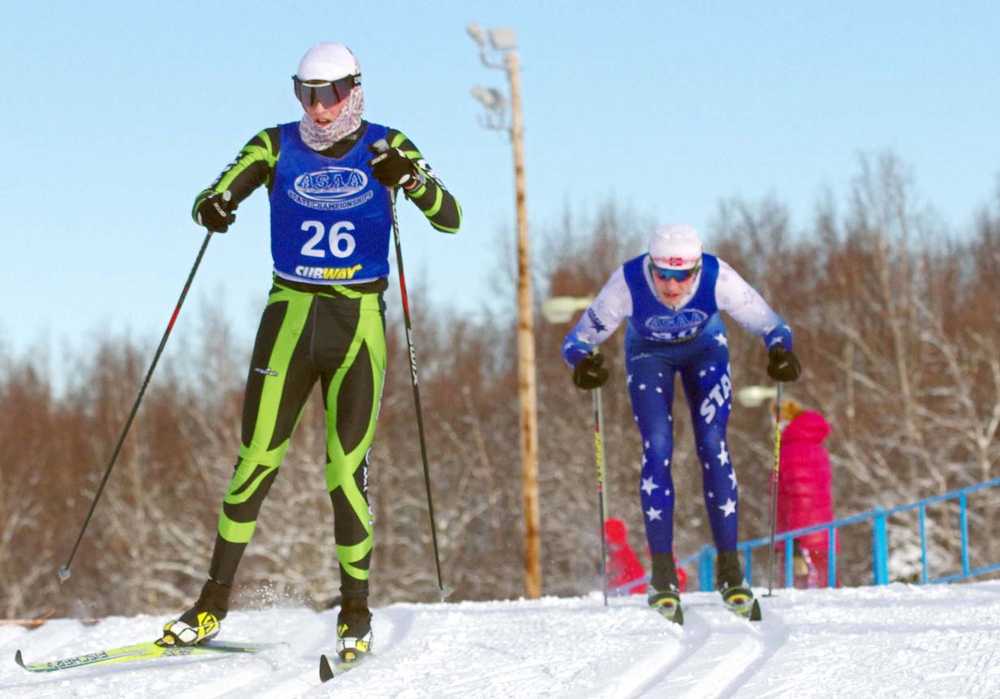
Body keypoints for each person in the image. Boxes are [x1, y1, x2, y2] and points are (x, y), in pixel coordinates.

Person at [159, 42, 461, 661]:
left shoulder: (388, 143)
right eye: (307, 94)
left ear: (356, 89)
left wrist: (410, 180)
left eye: (332, 94)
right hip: (291, 317)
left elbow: (450, 217)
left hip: (357, 324)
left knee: (346, 473)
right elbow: (211, 196)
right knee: (255, 459)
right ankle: (210, 605)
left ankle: (355, 612)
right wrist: (215, 207)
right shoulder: (274, 144)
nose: (320, 109)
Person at [561, 224, 800, 623]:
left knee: (712, 443)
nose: (672, 287)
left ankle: (729, 571)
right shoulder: (628, 282)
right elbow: (577, 340)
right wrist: (584, 363)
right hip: (648, 354)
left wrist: (780, 351)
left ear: (696, 270)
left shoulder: (718, 277)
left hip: (706, 350)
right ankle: (663, 575)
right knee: (657, 447)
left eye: (682, 276)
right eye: (663, 276)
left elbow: (773, 325)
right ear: (651, 267)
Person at [775, 398, 836, 588]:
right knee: (827, 580)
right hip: (822, 526)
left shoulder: (791, 449)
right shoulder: (814, 445)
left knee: (797, 587)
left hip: (800, 531)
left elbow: (799, 494)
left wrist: (795, 537)